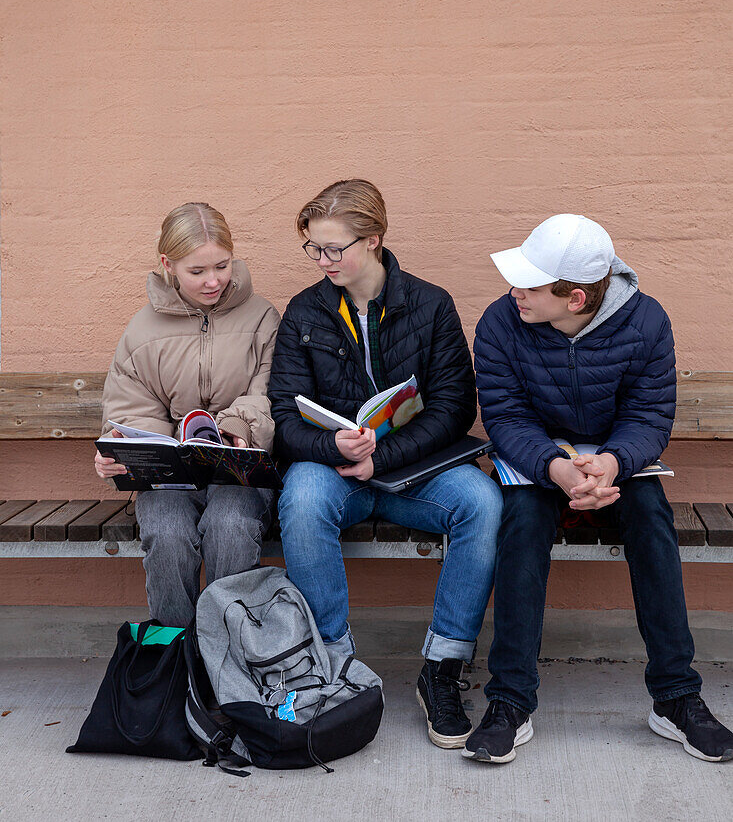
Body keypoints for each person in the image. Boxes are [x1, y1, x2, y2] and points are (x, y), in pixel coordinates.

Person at [468, 213, 733, 764]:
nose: (514, 291)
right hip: (539, 463)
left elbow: (650, 415)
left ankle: (676, 698)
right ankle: (510, 702)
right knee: (519, 526)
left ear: (576, 297)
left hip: (618, 463)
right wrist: (557, 468)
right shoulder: (500, 321)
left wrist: (611, 463)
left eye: (530, 284)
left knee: (654, 524)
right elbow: (505, 414)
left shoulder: (647, 322)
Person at [268, 179, 503, 750]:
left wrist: (386, 457)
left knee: (481, 501)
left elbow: (453, 407)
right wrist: (334, 449)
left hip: (411, 469)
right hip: (331, 471)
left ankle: (443, 667)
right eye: (313, 249)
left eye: (333, 249)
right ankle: (332, 662)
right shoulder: (305, 311)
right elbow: (284, 410)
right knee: (300, 499)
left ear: (373, 239)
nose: (321, 261)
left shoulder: (431, 304)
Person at [95, 202, 280, 627]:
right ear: (168, 264)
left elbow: (267, 391)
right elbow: (131, 405)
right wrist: (125, 448)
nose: (214, 280)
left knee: (231, 525)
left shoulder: (262, 318)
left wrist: (236, 429)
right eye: (197, 271)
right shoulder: (142, 330)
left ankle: (227, 646)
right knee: (167, 530)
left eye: (222, 265)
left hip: (240, 468)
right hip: (170, 477)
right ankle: (174, 652)